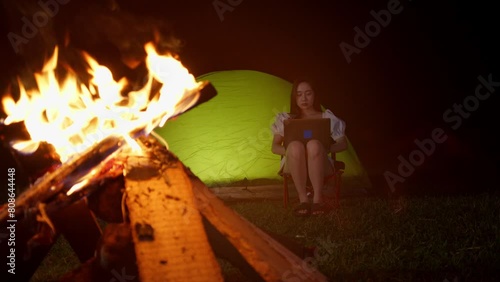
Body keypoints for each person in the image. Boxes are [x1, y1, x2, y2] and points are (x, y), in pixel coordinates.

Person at [271, 79, 347, 216]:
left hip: (319, 160)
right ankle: (303, 200)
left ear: (315, 95)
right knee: (295, 146)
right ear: (294, 97)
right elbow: (275, 147)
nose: (304, 98)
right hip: (293, 160)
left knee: (313, 145)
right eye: (299, 94)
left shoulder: (326, 117)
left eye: (308, 94)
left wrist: (323, 149)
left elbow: (343, 143)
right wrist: (291, 151)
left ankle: (318, 200)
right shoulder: (287, 119)